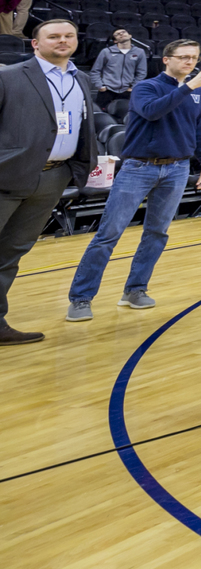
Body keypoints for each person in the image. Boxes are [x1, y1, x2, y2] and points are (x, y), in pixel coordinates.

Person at [66, 40, 201, 320]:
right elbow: (152, 111)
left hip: (177, 169)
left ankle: (135, 289)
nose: (189, 62)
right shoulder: (146, 87)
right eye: (183, 57)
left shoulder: (199, 93)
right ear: (166, 59)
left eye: (194, 58)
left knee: (157, 233)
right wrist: (189, 87)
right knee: (108, 234)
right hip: (139, 168)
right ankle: (81, 297)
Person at [0, 20, 97, 345]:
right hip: (7, 175)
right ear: (35, 44)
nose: (62, 41)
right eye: (53, 36)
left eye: (68, 36)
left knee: (11, 253)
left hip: (53, 177)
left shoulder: (81, 78)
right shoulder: (9, 76)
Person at [89, 29, 149, 109]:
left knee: (126, 115)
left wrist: (133, 87)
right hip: (107, 90)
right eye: (117, 34)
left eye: (123, 32)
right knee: (101, 116)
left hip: (127, 90)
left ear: (130, 35)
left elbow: (142, 72)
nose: (121, 34)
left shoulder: (139, 52)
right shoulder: (106, 52)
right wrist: (100, 86)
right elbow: (95, 70)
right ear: (115, 41)